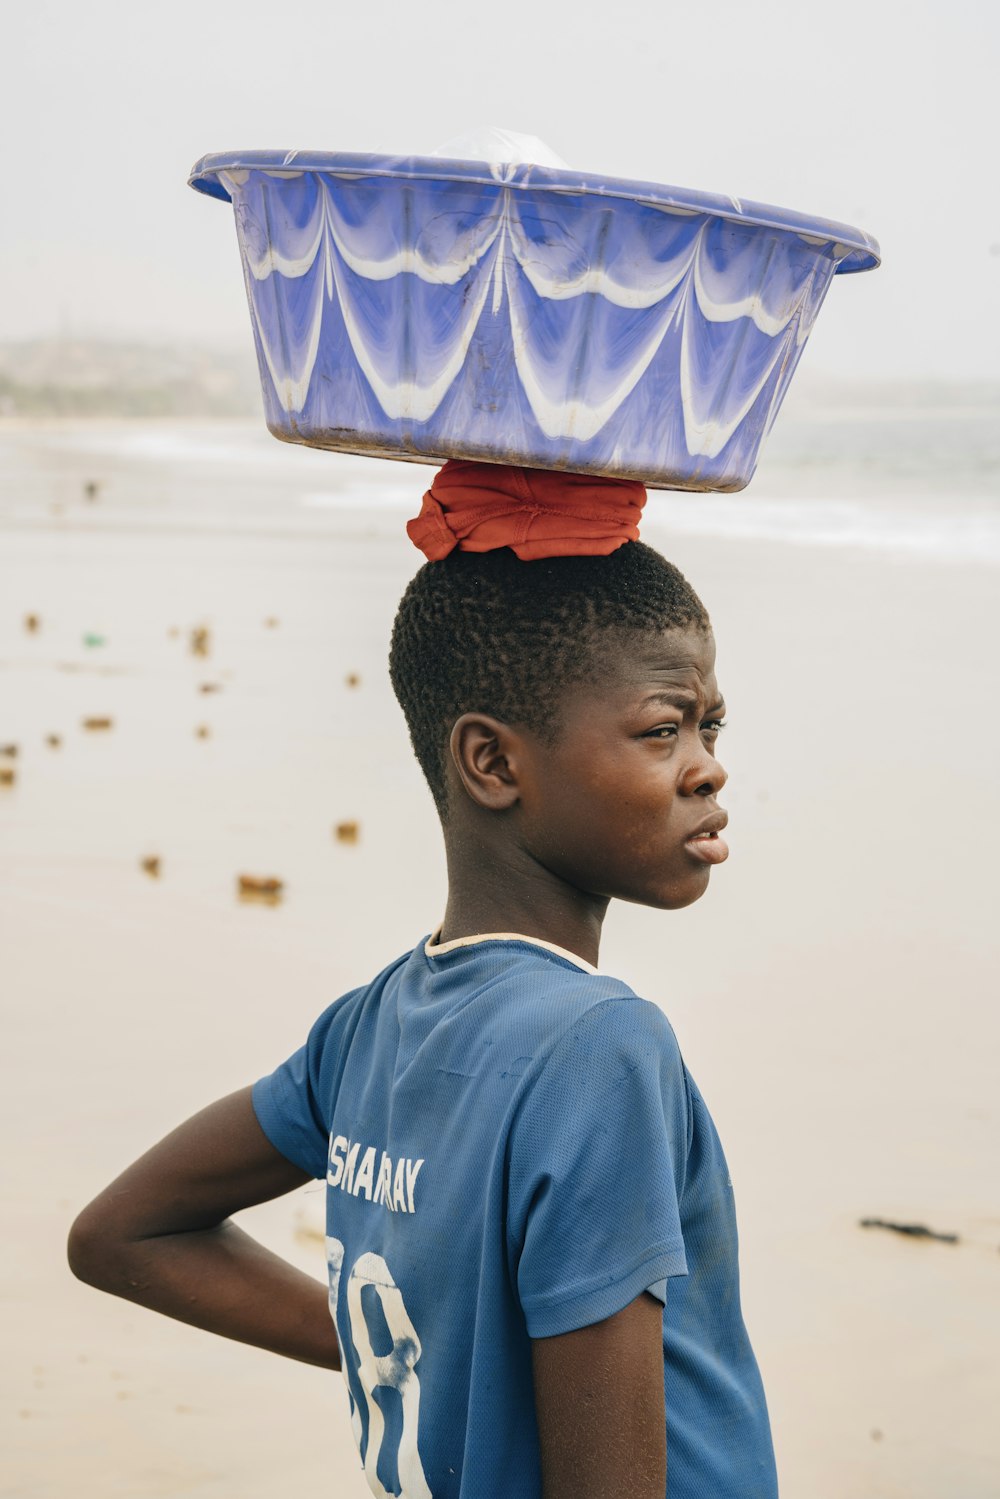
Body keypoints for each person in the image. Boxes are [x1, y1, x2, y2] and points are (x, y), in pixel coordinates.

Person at [68, 461, 779, 1499]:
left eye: (710, 727)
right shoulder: (598, 1043)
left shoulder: (367, 1029)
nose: (707, 766)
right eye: (661, 728)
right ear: (492, 763)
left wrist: (418, 1346)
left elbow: (124, 1232)